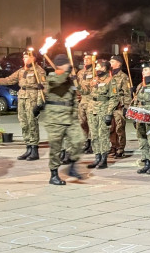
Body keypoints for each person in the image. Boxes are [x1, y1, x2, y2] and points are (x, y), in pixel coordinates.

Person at [0, 50, 46, 161]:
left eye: (27, 57)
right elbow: (9, 80)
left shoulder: (39, 71)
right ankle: (28, 147)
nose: (24, 59)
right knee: (23, 123)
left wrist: (40, 104)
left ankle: (34, 149)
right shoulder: (21, 71)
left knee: (32, 123)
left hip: (32, 98)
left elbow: (43, 88)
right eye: (24, 57)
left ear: (33, 58)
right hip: (22, 98)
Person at [43, 54, 85, 184]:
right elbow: (58, 80)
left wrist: (74, 82)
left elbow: (76, 94)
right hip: (55, 118)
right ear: (60, 65)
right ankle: (54, 174)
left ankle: (72, 166)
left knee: (79, 140)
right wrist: (66, 73)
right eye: (66, 64)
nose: (69, 66)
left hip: (70, 117)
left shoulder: (68, 79)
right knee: (56, 147)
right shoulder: (52, 76)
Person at [85, 59, 117, 170]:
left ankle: (104, 159)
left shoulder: (110, 81)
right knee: (94, 135)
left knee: (102, 134)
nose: (96, 68)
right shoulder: (95, 79)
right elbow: (86, 92)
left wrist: (109, 113)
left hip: (103, 109)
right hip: (92, 109)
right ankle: (97, 156)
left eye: (98, 66)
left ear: (104, 68)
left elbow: (114, 98)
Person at [108, 54, 132, 157]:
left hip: (119, 106)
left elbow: (127, 93)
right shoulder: (108, 76)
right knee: (111, 128)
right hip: (109, 106)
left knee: (119, 128)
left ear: (118, 63)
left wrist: (126, 107)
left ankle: (120, 148)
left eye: (112, 61)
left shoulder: (123, 77)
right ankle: (113, 146)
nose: (110, 63)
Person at [77, 53, 96, 154]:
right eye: (84, 59)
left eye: (88, 59)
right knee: (82, 122)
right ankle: (86, 142)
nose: (86, 60)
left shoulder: (95, 72)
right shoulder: (80, 72)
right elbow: (78, 86)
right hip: (82, 100)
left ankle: (92, 143)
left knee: (91, 123)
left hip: (91, 100)